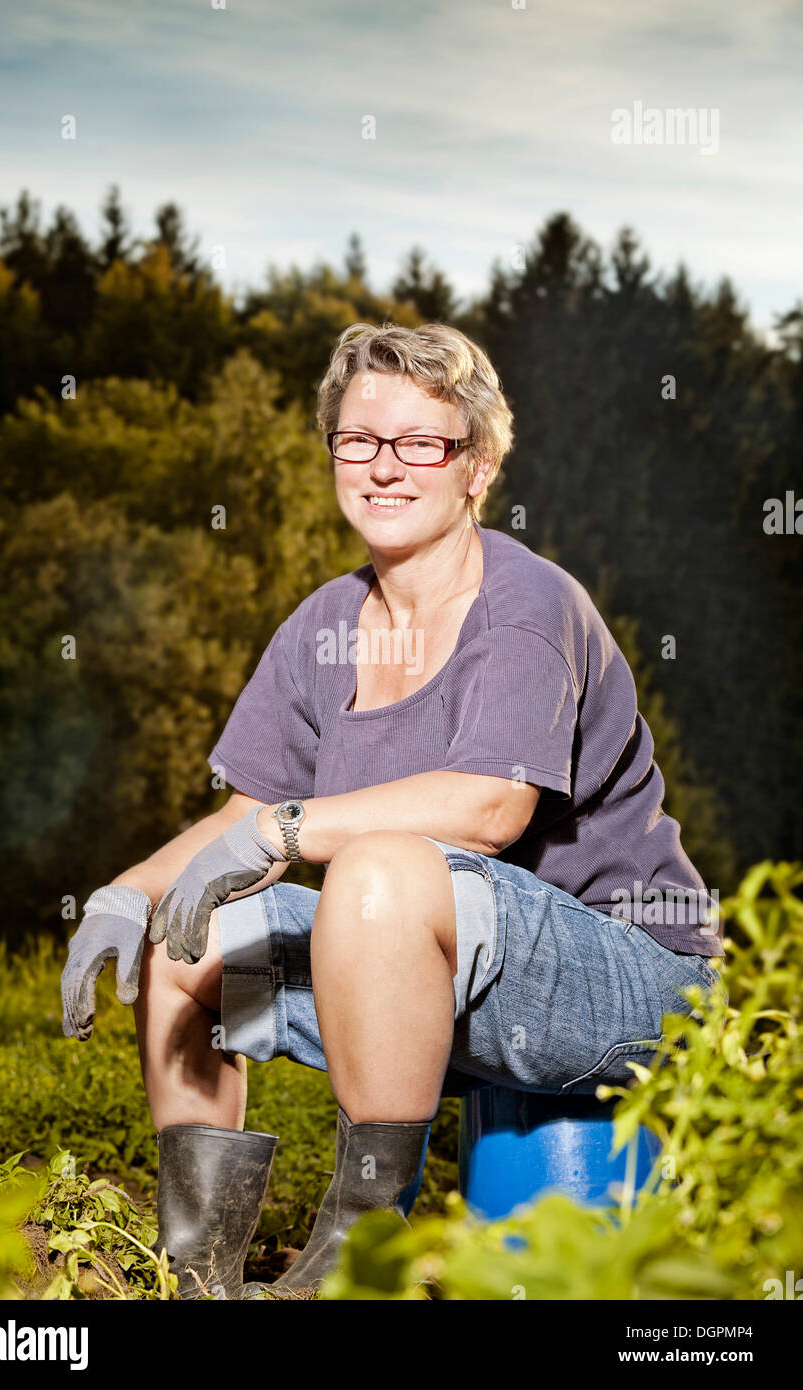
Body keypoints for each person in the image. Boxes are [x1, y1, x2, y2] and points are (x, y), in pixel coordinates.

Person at [61, 321, 724, 1300]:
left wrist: (280, 833)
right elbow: (245, 811)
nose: (382, 467)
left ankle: (355, 1266)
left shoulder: (525, 607)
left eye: (421, 442)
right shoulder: (324, 625)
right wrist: (126, 894)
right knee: (193, 934)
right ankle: (196, 1275)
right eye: (357, 440)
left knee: (375, 866)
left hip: (628, 988)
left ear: (477, 467)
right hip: (430, 987)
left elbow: (487, 807)